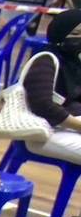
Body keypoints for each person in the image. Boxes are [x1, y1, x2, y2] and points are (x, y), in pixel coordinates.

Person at [22, 8, 81, 166]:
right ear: (60, 33)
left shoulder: (74, 62)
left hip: (70, 126)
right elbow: (42, 105)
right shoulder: (46, 60)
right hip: (46, 131)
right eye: (75, 34)